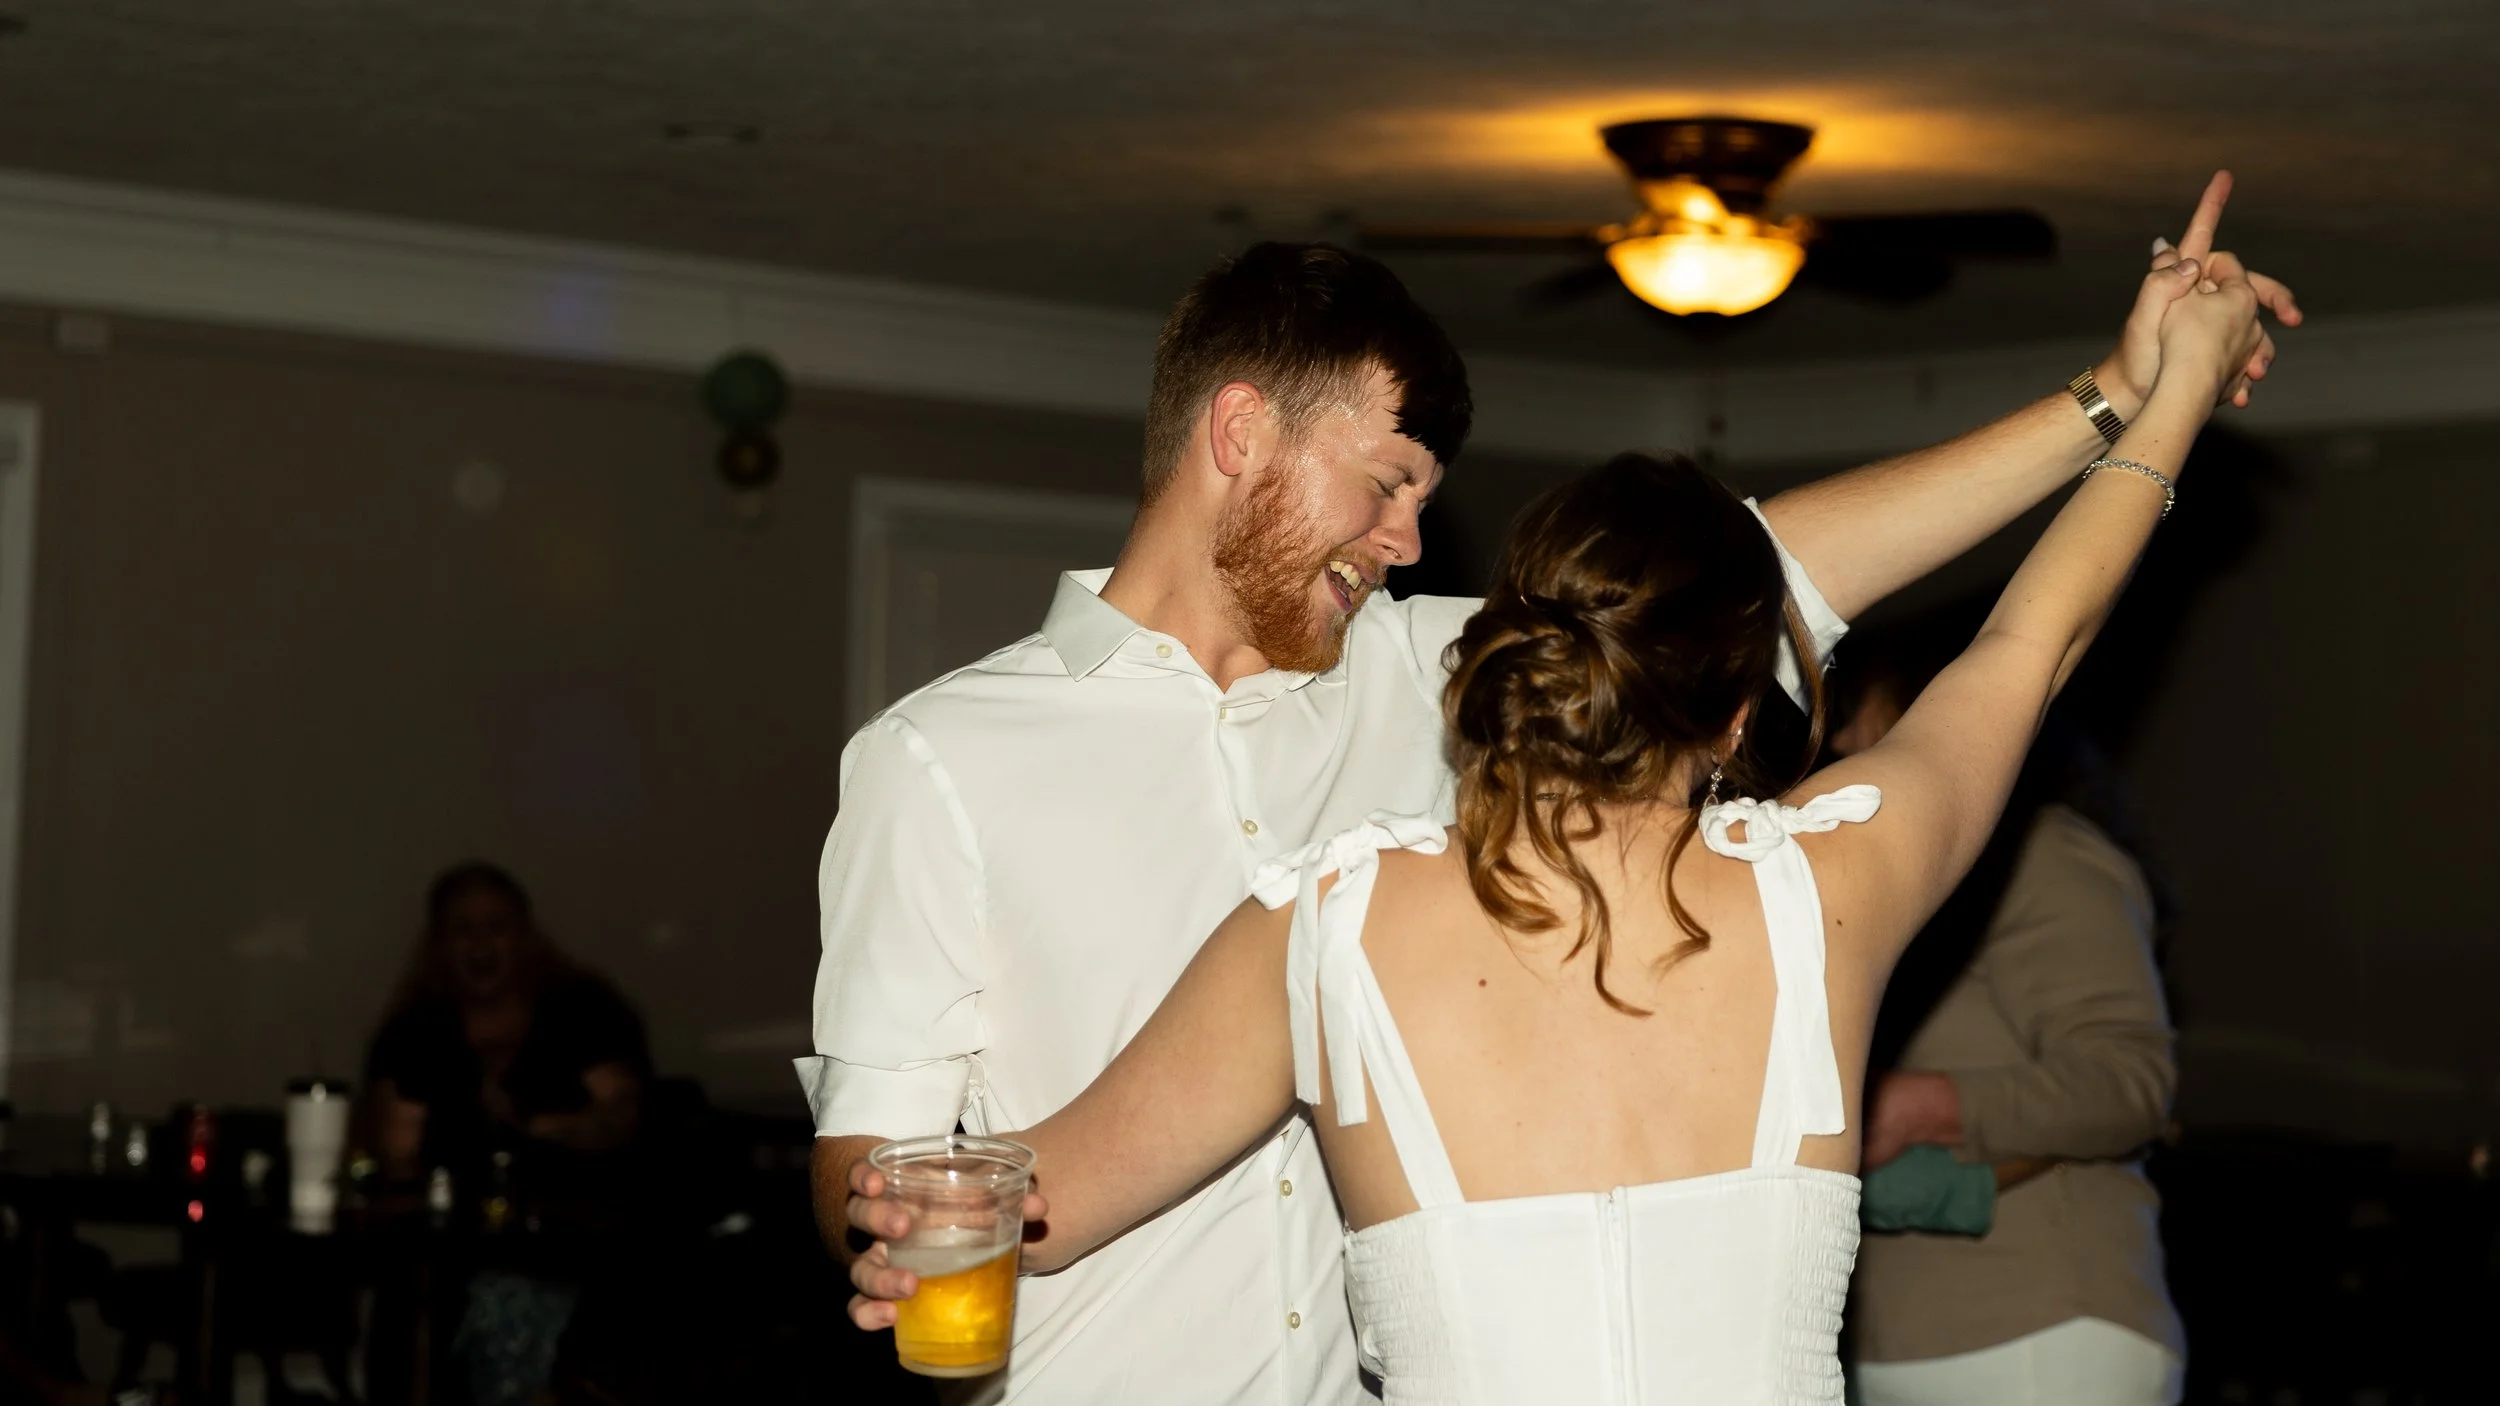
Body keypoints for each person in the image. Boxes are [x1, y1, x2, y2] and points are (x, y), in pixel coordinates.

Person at [814, 175, 2294, 1404]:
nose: (1407, 539)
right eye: (1388, 481)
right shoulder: (1822, 893)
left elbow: (1771, 569)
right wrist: (2163, 416)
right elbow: (2021, 647)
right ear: (1241, 431)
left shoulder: (1328, 896)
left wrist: (2110, 390)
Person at [1825, 627, 2187, 1406]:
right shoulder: (1894, 884)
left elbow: (2130, 1082)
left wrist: (1917, 1104)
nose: (1847, 740)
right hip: (1908, 1339)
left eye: (1870, 715)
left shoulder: (2044, 855)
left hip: (2044, 1331)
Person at [363, 862, 652, 1406]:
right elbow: (394, 1151)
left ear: (524, 935)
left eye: (495, 927)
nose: (481, 945)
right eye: (463, 929)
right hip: (449, 1261)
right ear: (439, 944)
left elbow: (621, 1116)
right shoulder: (418, 1030)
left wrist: (541, 1130)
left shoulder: (578, 1010)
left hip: (579, 1250)